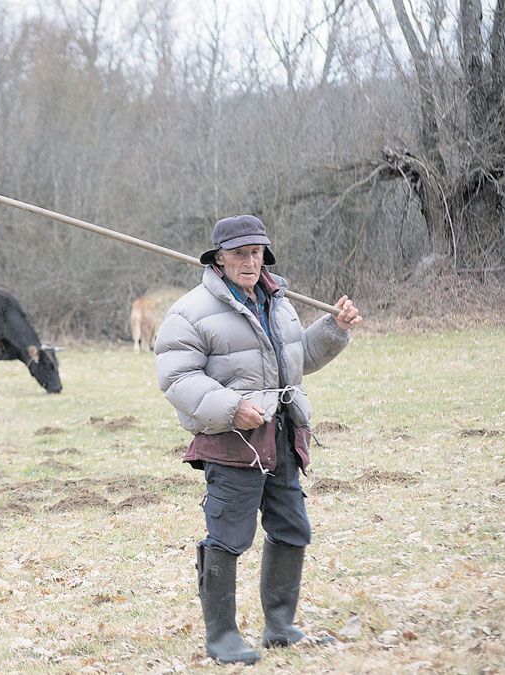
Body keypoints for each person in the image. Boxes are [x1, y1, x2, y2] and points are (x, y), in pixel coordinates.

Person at [154, 214, 361, 665]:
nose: (250, 262)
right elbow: (176, 379)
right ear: (218, 260)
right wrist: (230, 407)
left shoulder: (279, 303)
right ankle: (223, 637)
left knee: (292, 528)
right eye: (239, 254)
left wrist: (334, 329)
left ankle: (280, 627)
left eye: (256, 253)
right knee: (228, 536)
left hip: (283, 434)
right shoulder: (190, 312)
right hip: (232, 443)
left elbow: (298, 358)